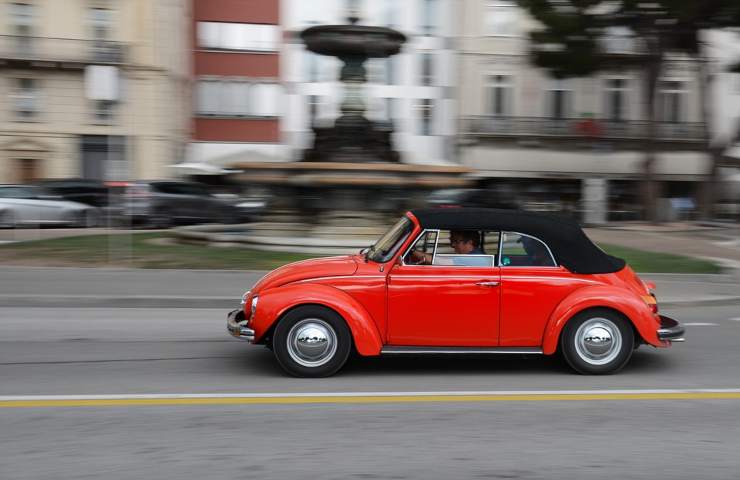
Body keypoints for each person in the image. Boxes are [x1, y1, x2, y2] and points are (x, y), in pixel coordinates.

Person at [410, 230, 488, 266]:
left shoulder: (474, 258)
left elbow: (439, 261)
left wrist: (413, 251)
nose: (452, 245)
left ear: (470, 243)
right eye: (452, 241)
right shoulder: (475, 255)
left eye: (456, 241)